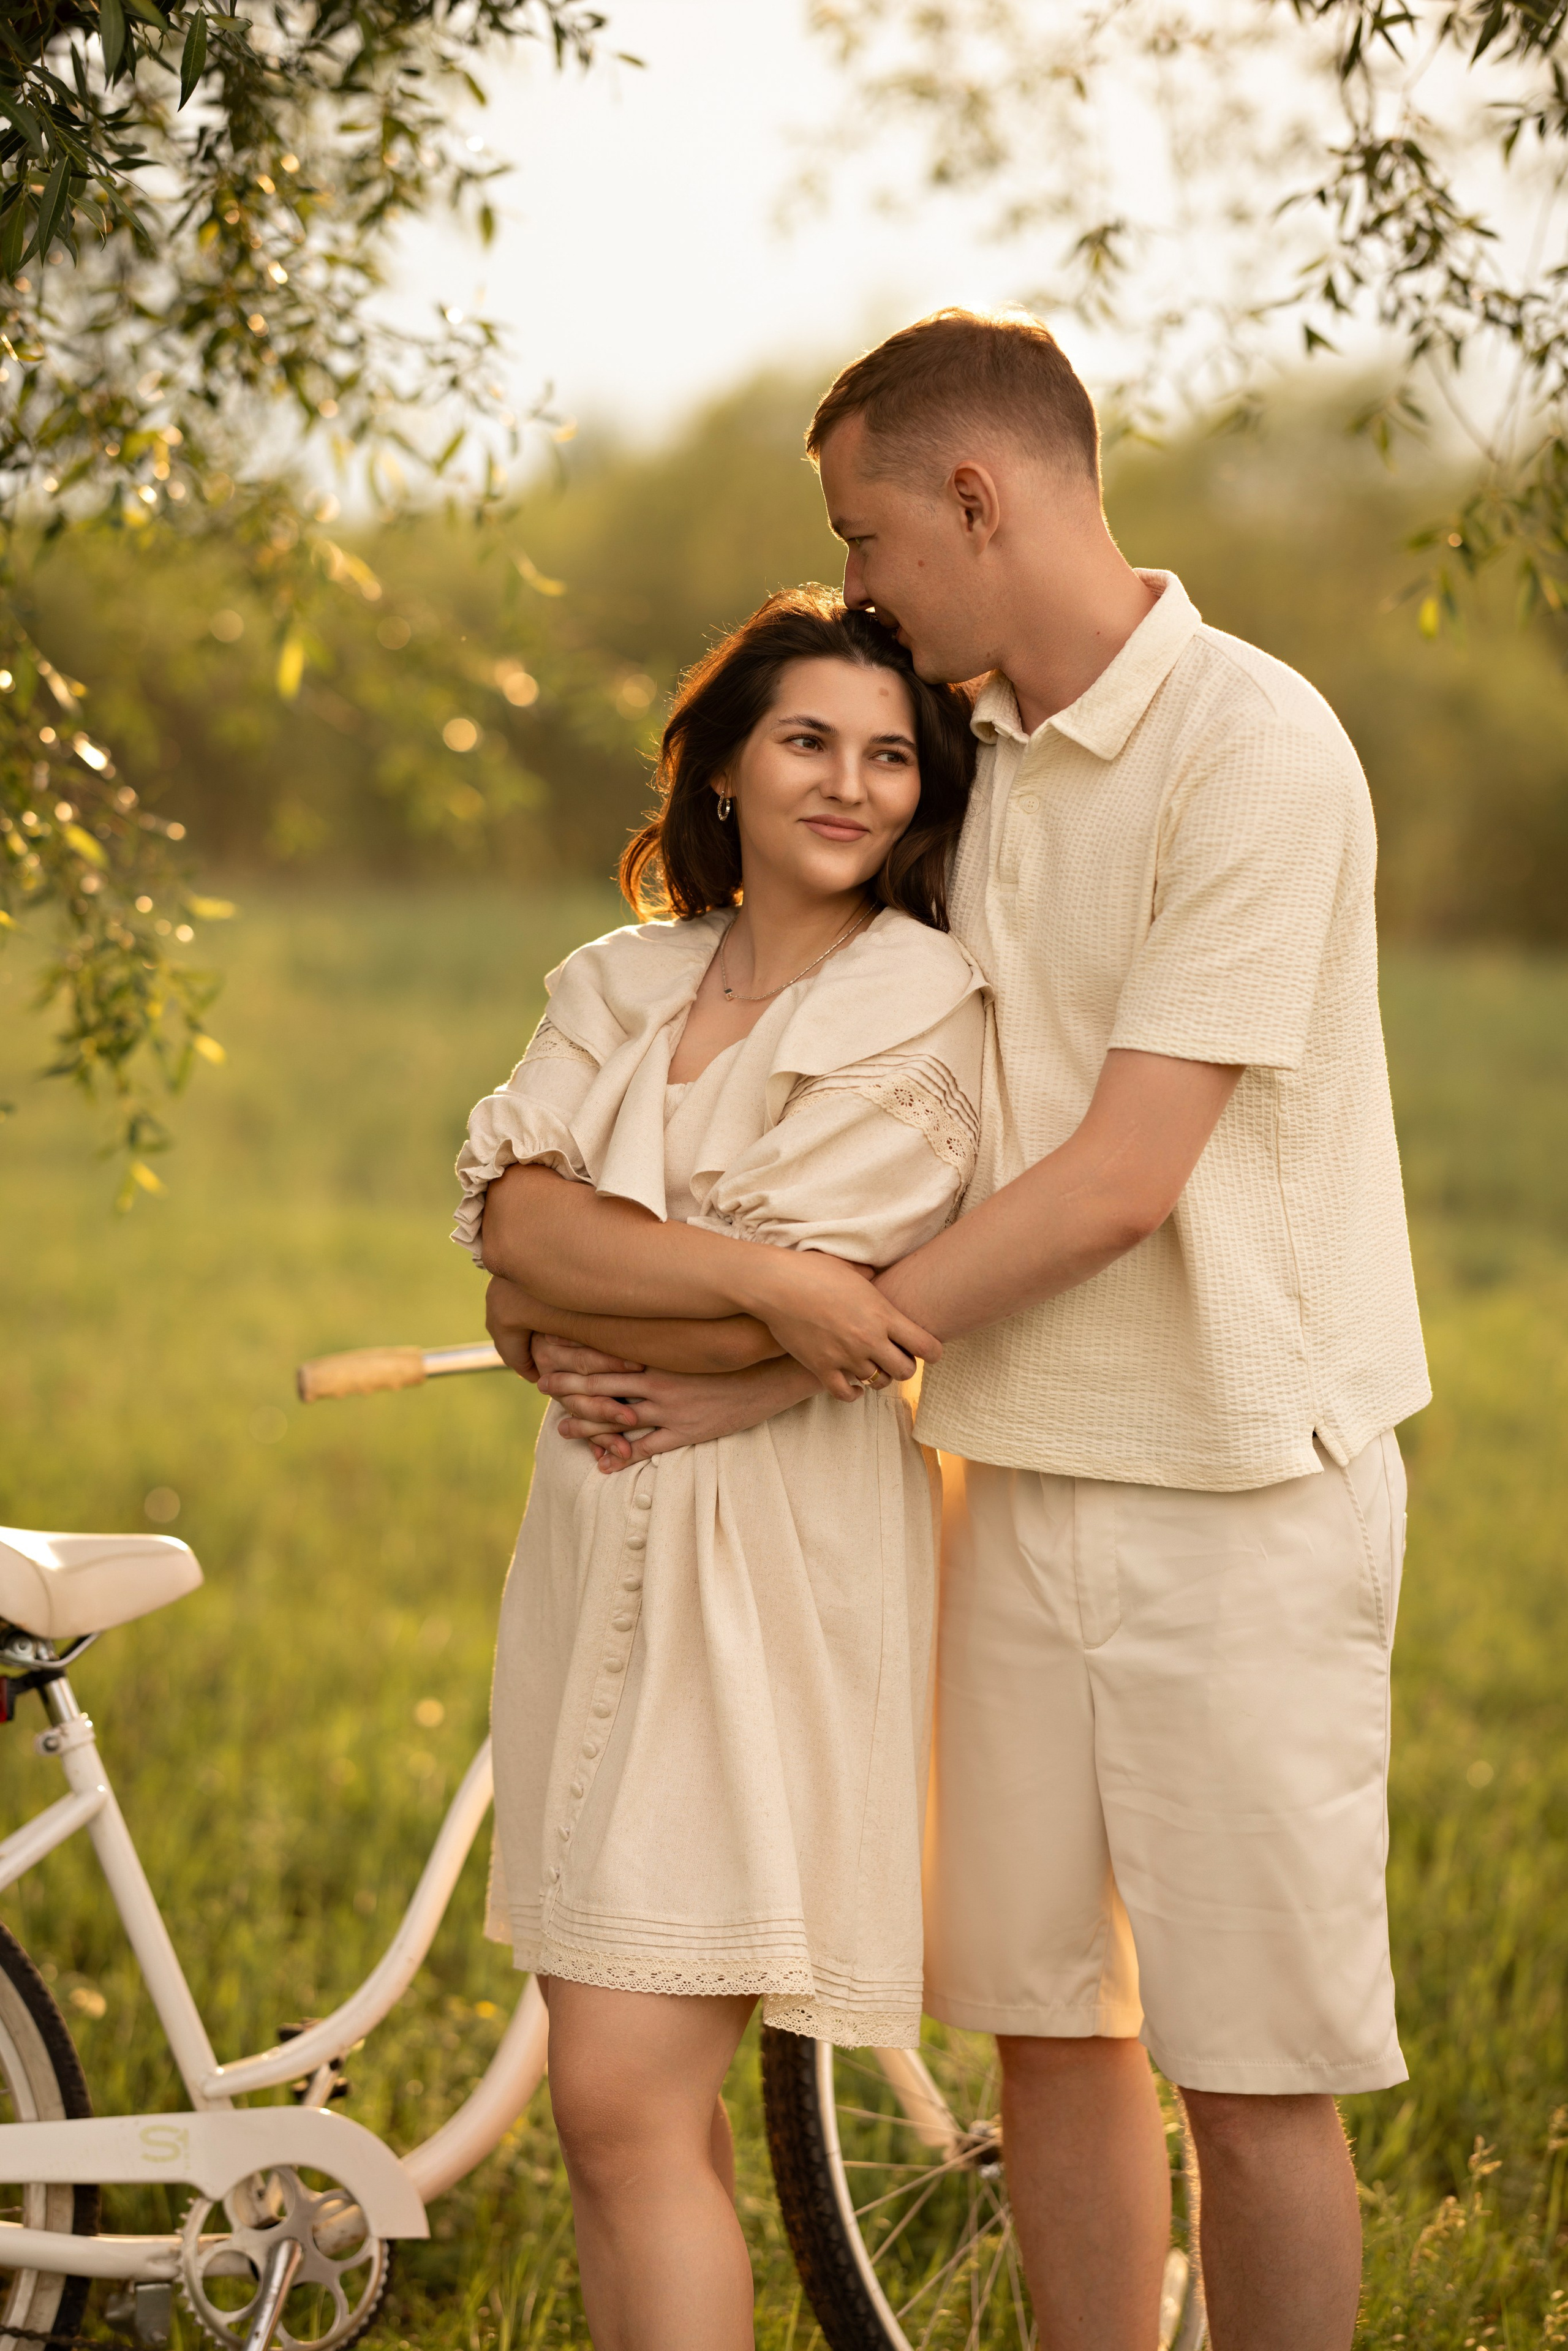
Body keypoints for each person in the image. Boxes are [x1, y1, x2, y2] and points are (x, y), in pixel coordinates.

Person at [488, 311, 1431, 2351]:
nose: (861, 589)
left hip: (1242, 1496)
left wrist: (744, 1362)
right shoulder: (967, 772)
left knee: (1254, 2071)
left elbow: (1119, 1173)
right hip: (997, 1484)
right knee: (1042, 2028)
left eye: (868, 532)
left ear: (977, 498)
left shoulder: (1256, 749)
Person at [456, 586, 986, 2351]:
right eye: (809, 741)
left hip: (775, 1560)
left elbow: (810, 1323)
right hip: (596, 1526)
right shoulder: (624, 978)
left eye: (893, 753)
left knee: (616, 2094)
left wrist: (654, 1299)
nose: (852, 784)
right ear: (729, 772)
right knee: (623, 2122)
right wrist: (755, 1280)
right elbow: (513, 1225)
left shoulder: (922, 1005)